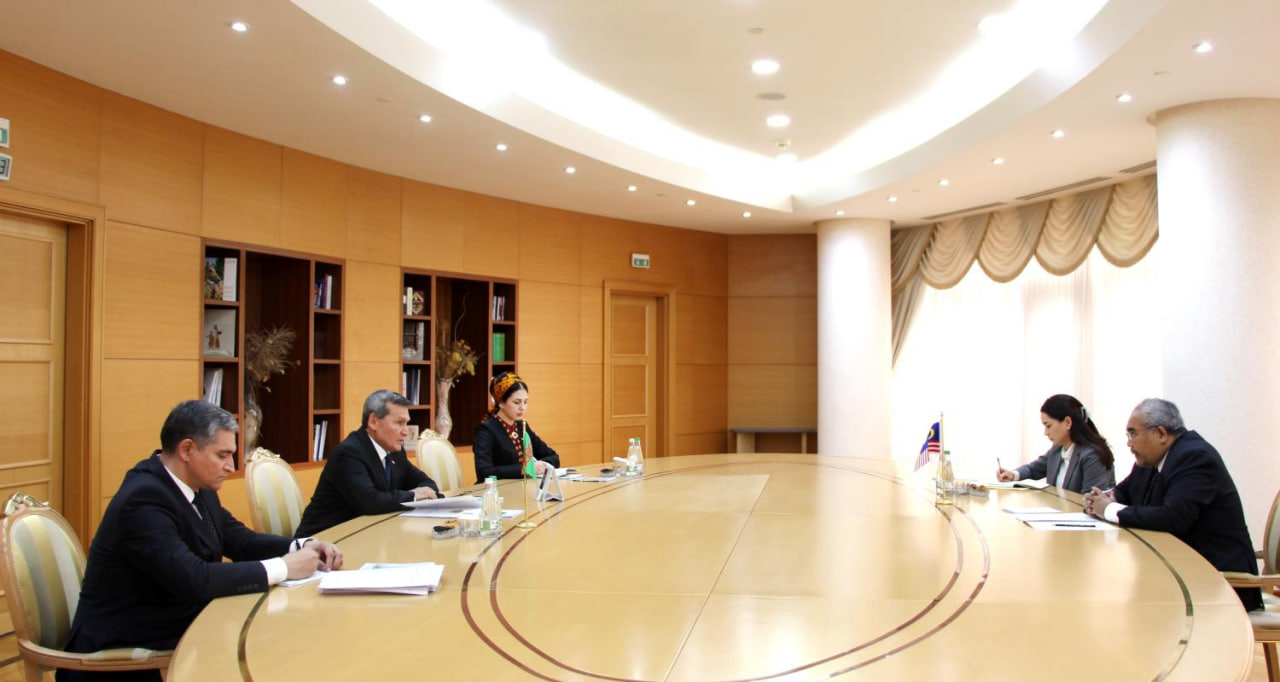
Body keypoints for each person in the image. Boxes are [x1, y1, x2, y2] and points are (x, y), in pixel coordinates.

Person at [62, 401, 342, 681]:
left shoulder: (197, 486)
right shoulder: (143, 499)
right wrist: (284, 567)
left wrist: (303, 546)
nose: (231, 466)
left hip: (182, 631)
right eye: (222, 455)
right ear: (187, 450)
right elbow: (194, 578)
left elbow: (240, 541)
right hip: (127, 653)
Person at [1083, 398, 1262, 611]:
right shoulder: (1150, 459)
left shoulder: (1195, 457)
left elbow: (1173, 518)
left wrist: (1108, 509)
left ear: (1161, 434)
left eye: (1133, 434)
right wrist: (1101, 499)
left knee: (1128, 604)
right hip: (1180, 572)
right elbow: (1125, 492)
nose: (1129, 443)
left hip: (1218, 582)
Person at [295, 389, 440, 536]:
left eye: (406, 423)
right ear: (373, 422)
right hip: (323, 539)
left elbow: (426, 483)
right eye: (399, 423)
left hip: (366, 534)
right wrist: (413, 495)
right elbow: (370, 502)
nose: (406, 432)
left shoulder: (395, 452)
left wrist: (424, 492)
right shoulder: (349, 453)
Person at [996, 394, 1116, 493]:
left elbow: (1091, 502)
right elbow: (1033, 470)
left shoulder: (1093, 456)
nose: (1046, 433)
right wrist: (1013, 475)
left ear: (1067, 422)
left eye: (1048, 426)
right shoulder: (1058, 449)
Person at [473, 372, 560, 483]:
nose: (522, 407)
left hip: (521, 487)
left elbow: (553, 456)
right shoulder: (486, 430)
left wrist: (542, 465)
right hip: (497, 490)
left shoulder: (521, 426)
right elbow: (484, 472)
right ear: (500, 402)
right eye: (516, 402)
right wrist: (525, 469)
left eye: (525, 402)